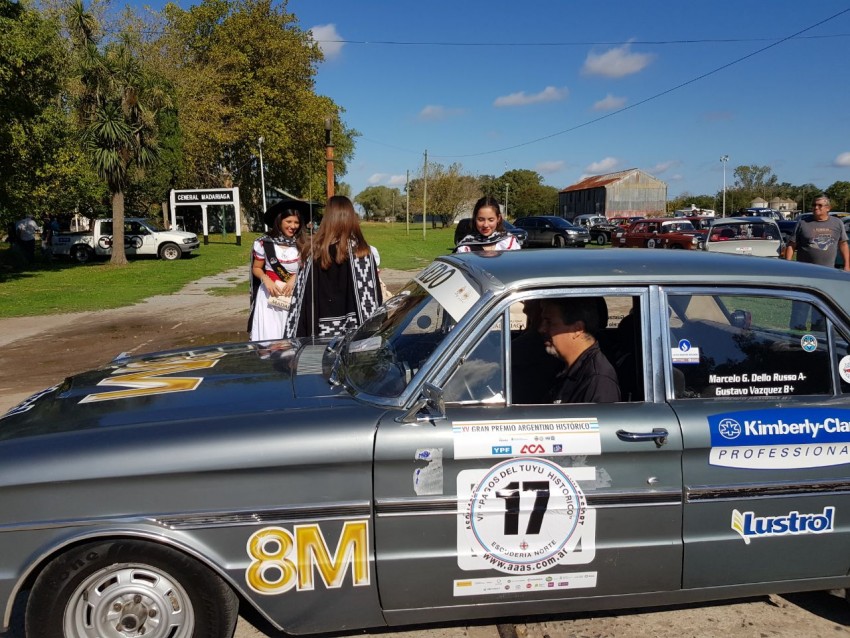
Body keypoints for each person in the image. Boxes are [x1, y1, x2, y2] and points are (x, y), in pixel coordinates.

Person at [284, 195, 382, 338]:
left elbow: (300, 302)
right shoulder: (362, 252)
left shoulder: (312, 252)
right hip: (355, 334)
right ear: (351, 218)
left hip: (318, 333)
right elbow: (372, 301)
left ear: (327, 219)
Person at [784, 196, 849, 330]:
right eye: (814, 205)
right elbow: (791, 245)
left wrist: (847, 265)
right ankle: (795, 338)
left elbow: (843, 244)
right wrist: (787, 265)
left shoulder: (837, 223)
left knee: (822, 310)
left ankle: (820, 337)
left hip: (827, 275)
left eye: (819, 205)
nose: (815, 208)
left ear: (828, 208)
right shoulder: (803, 223)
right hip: (804, 275)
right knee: (800, 309)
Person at [539, 297, 620, 404]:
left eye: (549, 322)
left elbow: (597, 420)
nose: (541, 329)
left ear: (577, 329)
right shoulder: (565, 368)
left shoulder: (597, 380)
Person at [248, 202, 305, 341]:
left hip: (294, 296)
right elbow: (256, 268)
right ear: (279, 221)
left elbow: (309, 268)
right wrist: (265, 279)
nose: (293, 226)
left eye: (296, 222)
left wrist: (296, 278)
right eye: (289, 221)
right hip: (269, 298)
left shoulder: (304, 243)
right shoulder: (264, 242)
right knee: (270, 336)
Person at [455, 196, 521, 253]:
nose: (485, 225)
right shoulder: (465, 248)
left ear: (498, 218)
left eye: (491, 220)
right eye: (481, 220)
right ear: (475, 219)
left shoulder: (509, 242)